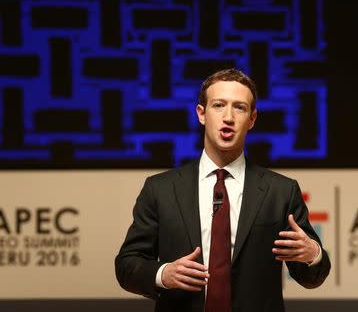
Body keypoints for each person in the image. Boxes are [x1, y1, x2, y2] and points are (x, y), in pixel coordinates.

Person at [115, 69, 331, 311]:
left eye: (239, 107)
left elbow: (311, 276)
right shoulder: (160, 189)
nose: (228, 117)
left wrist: (313, 253)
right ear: (201, 114)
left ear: (252, 119)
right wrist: (163, 273)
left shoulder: (281, 191)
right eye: (218, 105)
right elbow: (127, 265)